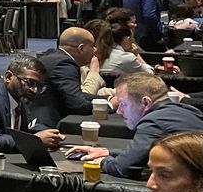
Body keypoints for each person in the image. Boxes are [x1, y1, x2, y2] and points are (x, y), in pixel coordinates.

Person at [68, 73, 203, 180]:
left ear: (145, 103)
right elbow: (145, 154)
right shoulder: (188, 110)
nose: (119, 111)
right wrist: (108, 152)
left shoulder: (153, 122)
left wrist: (103, 161)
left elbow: (123, 168)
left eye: (123, 104)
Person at [30, 27, 100, 128]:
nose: (95, 50)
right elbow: (78, 105)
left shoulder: (52, 56)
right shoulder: (64, 64)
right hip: (47, 127)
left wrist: (107, 99)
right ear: (81, 48)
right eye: (92, 46)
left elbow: (76, 94)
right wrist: (106, 107)